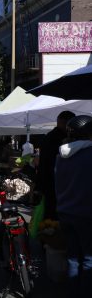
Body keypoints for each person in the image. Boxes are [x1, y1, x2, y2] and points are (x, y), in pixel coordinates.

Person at [55, 115, 92, 298]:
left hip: (65, 212)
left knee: (72, 258)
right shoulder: (89, 154)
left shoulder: (61, 156)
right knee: (88, 260)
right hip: (86, 215)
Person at [36, 111, 75, 220]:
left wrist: (39, 186)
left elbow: (42, 163)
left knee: (50, 216)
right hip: (60, 184)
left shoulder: (48, 137)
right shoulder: (64, 139)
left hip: (48, 183)